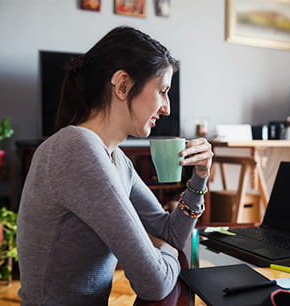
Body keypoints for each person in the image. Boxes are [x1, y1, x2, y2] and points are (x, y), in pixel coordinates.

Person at [17, 26, 213, 305]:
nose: (166, 107)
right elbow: (154, 283)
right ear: (122, 85)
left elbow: (169, 233)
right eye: (162, 91)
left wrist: (200, 178)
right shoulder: (76, 149)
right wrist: (164, 250)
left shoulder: (116, 158)